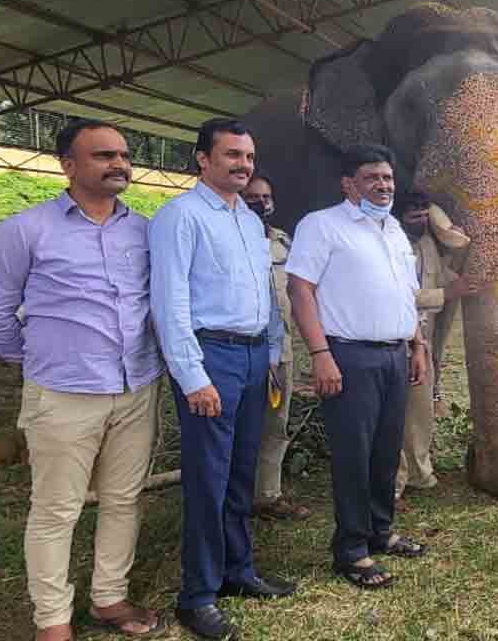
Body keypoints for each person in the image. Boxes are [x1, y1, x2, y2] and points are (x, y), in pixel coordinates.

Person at [0, 120, 165, 641]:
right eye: (103, 155)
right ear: (68, 165)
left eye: (124, 154)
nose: (119, 164)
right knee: (56, 508)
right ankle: (52, 622)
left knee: (125, 499)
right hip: (63, 395)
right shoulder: (26, 230)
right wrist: (41, 361)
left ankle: (109, 598)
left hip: (136, 387)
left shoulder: (145, 231)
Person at [148, 118, 294, 641]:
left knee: (241, 472)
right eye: (232, 154)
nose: (243, 164)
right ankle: (199, 594)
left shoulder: (250, 223)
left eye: (249, 157)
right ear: (202, 160)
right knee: (208, 478)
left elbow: (267, 297)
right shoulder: (179, 218)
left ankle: (238, 571)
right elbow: (170, 304)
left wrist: (274, 352)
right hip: (212, 358)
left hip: (255, 357)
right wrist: (192, 376)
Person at [286, 143, 431, 590]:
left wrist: (418, 344)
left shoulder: (393, 231)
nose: (384, 185)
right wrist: (320, 354)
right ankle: (351, 550)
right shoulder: (322, 226)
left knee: (387, 450)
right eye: (373, 178)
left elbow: (407, 294)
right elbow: (300, 290)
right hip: (348, 355)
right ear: (349, 184)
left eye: (388, 178)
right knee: (354, 454)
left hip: (395, 354)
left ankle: (380, 532)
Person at [393, 191, 477, 502]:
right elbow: (399, 295)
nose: (419, 218)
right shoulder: (391, 246)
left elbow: (444, 276)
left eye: (423, 212)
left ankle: (420, 473)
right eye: (412, 213)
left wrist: (461, 248)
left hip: (422, 342)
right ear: (400, 216)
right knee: (394, 414)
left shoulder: (428, 244)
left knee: (421, 411)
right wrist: (446, 294)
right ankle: (394, 482)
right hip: (394, 339)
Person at [242, 174, 312, 521]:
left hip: (280, 351)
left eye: (266, 197)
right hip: (241, 350)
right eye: (253, 197)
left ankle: (267, 495)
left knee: (275, 422)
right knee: (240, 424)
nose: (262, 203)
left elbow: (298, 294)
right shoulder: (229, 237)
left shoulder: (282, 241)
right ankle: (235, 496)